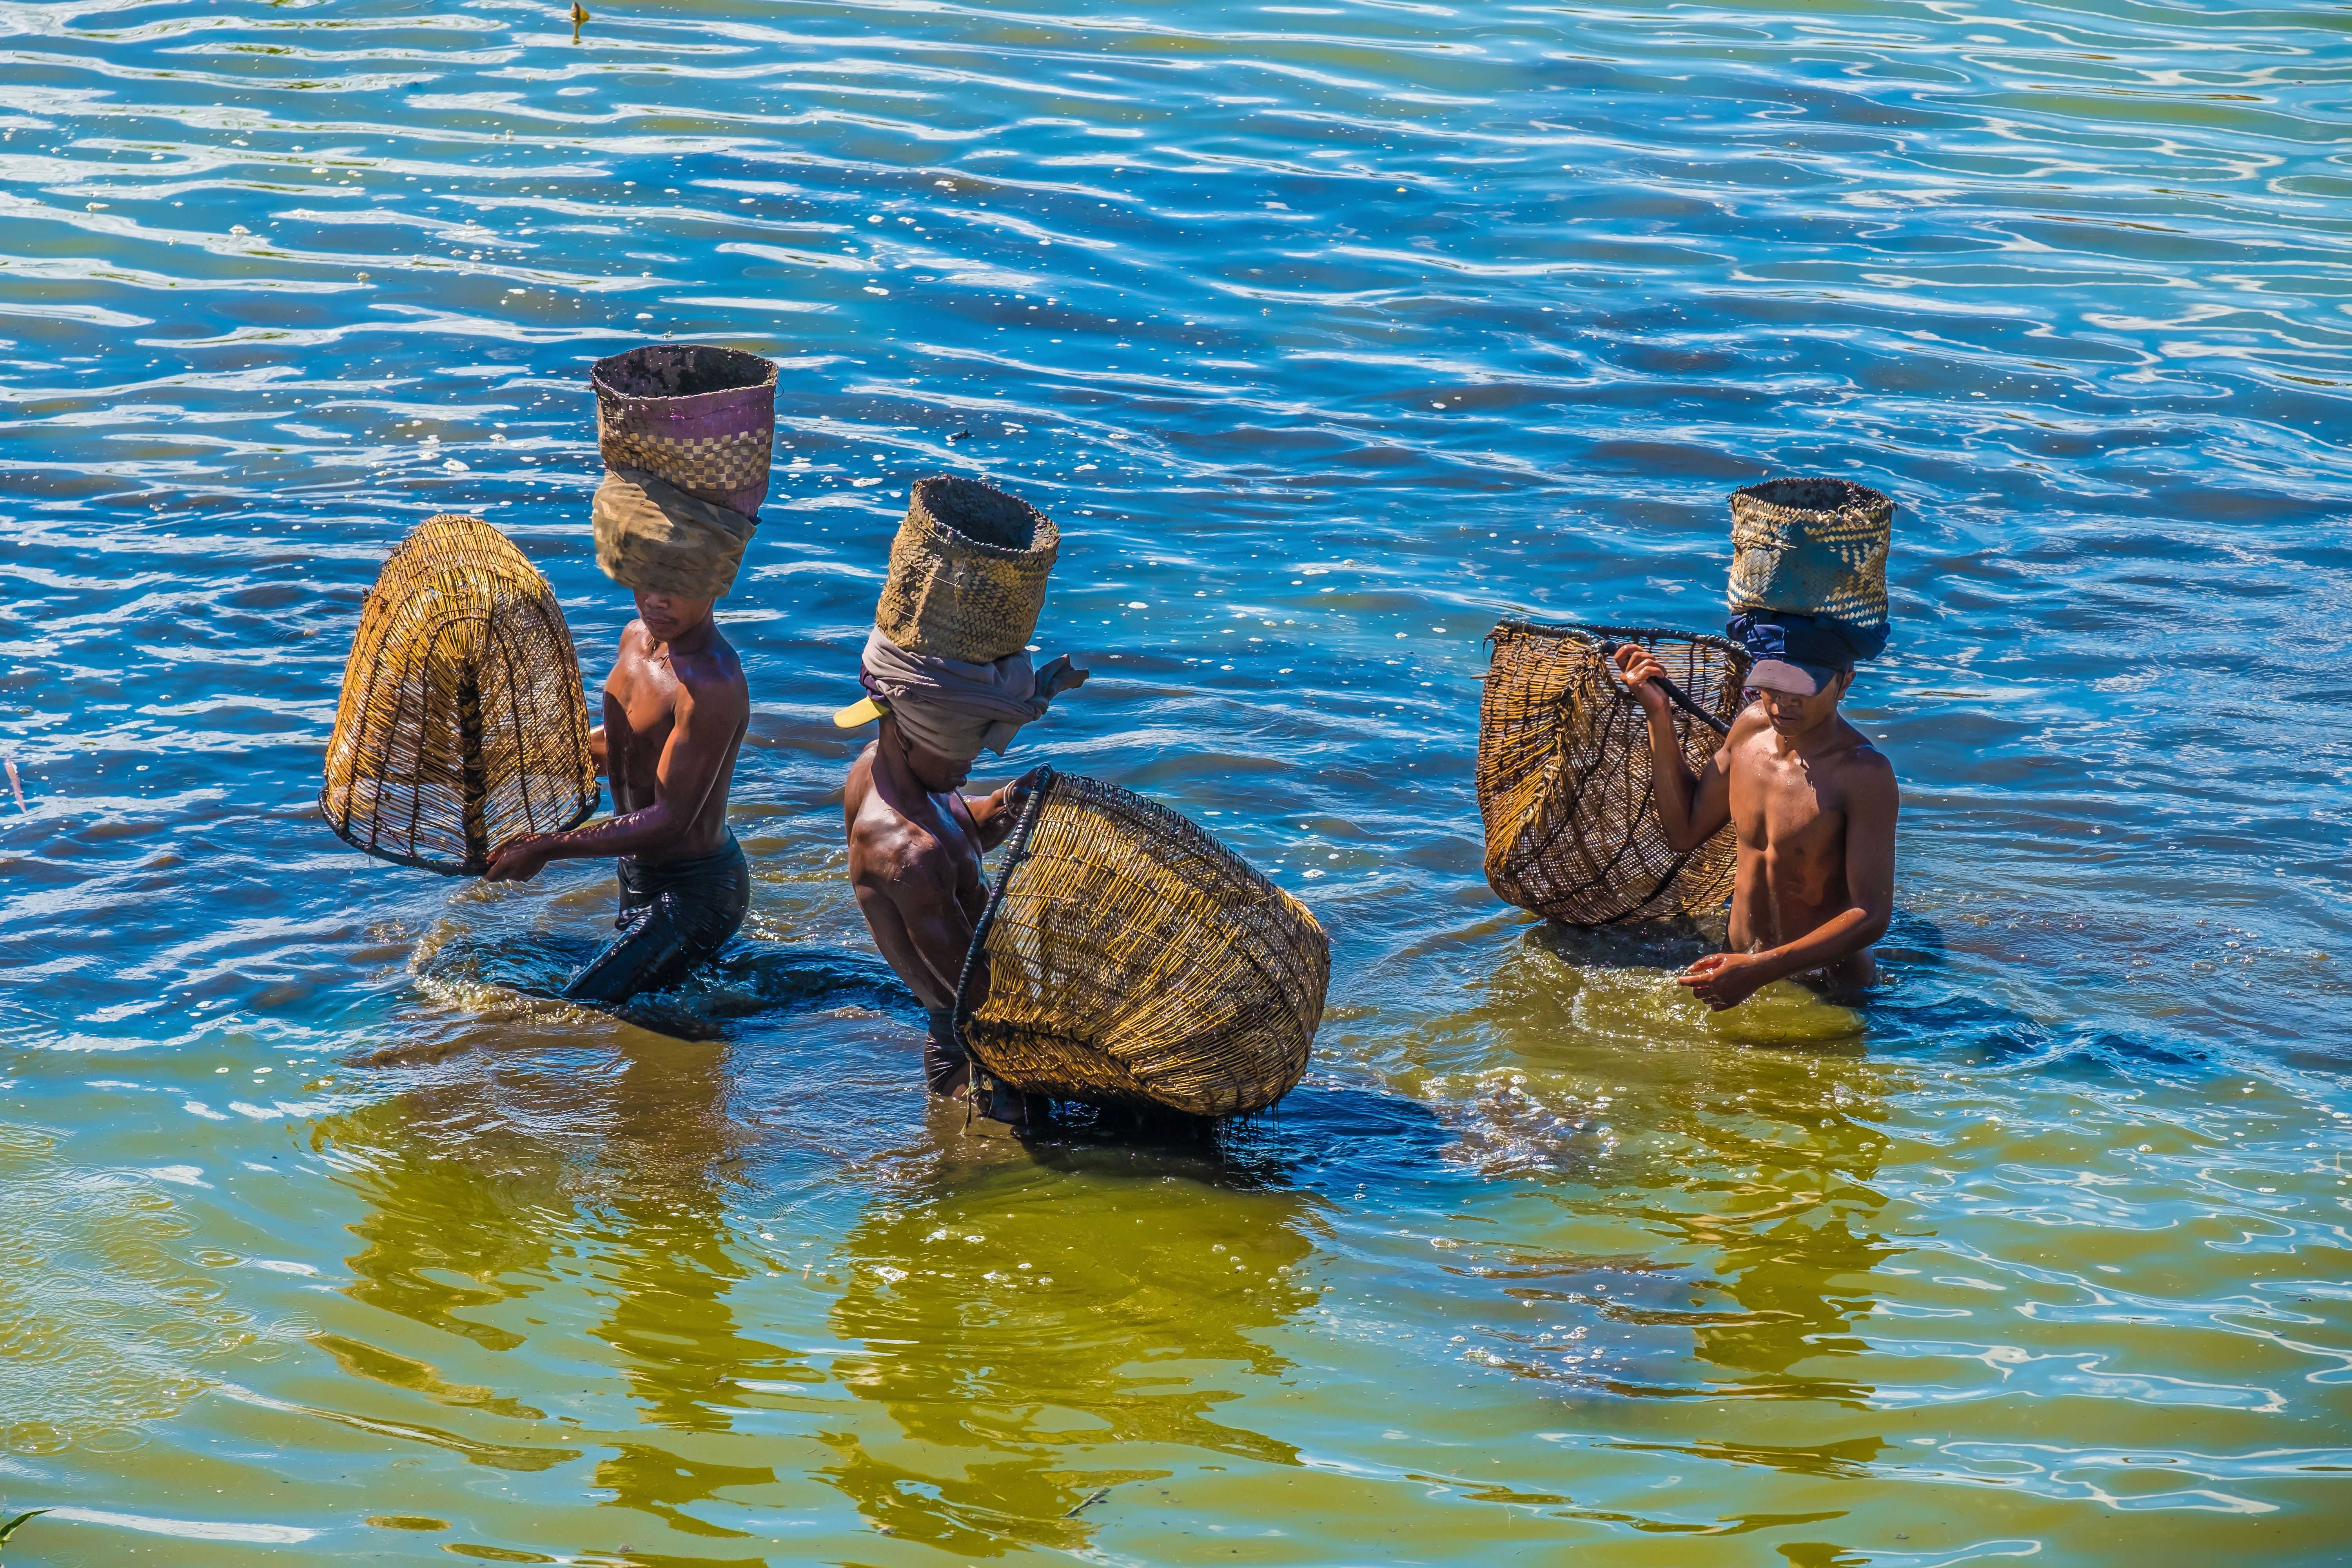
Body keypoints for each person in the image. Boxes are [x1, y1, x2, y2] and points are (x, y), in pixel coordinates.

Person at [483, 459, 757, 1005]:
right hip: (636, 875)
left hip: (696, 890)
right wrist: (508, 756)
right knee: (650, 1016)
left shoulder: (714, 683)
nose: (657, 599)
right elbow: (620, 752)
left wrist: (552, 846)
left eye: (676, 586)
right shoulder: (635, 639)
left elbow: (671, 819)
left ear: (713, 584)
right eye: (647, 581)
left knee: (582, 1008)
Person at [837, 630, 1086, 1123]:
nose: (971, 768)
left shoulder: (881, 766)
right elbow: (973, 990)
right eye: (960, 755)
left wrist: (1007, 802)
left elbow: (958, 833)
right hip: (974, 1056)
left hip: (980, 1030)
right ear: (907, 735)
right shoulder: (904, 853)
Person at [1613, 639, 1897, 1010]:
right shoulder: (1749, 730)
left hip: (1829, 992)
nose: (1784, 702)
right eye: (1773, 685)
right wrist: (1658, 712)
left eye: (1803, 689)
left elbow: (1872, 917)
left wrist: (1758, 971)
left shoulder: (1863, 774)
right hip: (1736, 966)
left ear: (1845, 683)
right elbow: (1684, 831)